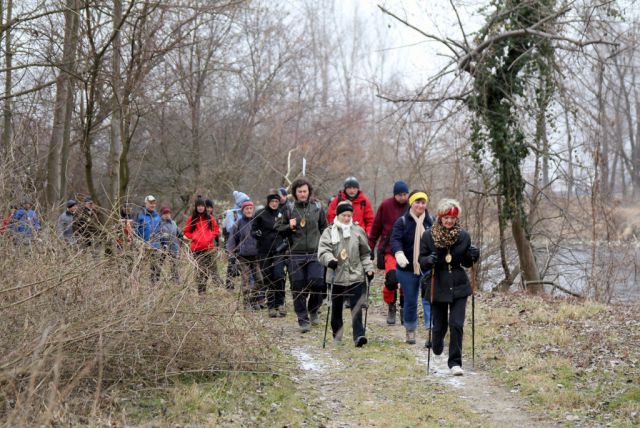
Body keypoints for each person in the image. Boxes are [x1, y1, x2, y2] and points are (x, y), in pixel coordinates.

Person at [419, 199, 479, 376]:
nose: (449, 221)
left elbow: (467, 263)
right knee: (440, 326)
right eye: (446, 217)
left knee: (457, 324)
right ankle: (437, 349)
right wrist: (428, 260)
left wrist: (474, 255)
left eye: (453, 217)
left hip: (459, 283)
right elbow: (421, 261)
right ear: (440, 217)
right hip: (437, 283)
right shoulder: (429, 236)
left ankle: (455, 362)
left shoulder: (463, 236)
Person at [318, 201, 374, 347]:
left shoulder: (358, 231)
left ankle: (359, 336)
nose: (347, 218)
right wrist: (329, 260)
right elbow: (323, 251)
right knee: (336, 309)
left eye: (349, 215)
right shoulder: (329, 232)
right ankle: (337, 335)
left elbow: (365, 253)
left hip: (356, 275)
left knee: (357, 307)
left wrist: (368, 268)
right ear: (338, 215)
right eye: (344, 215)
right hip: (336, 276)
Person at [277, 177, 328, 332]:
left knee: (317, 282)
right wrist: (288, 226)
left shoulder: (317, 207)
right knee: (297, 287)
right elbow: (278, 228)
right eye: (299, 191)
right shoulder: (289, 209)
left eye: (305, 191)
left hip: (315, 252)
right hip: (295, 253)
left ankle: (313, 309)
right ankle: (302, 319)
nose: (302, 194)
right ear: (295, 193)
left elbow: (324, 228)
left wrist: (326, 247)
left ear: (309, 191)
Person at [390, 190, 433, 344]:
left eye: (423, 202)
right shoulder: (402, 221)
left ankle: (430, 331)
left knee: (429, 299)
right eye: (417, 202)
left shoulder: (431, 221)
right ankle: (410, 330)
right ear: (411, 203)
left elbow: (436, 242)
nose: (420, 205)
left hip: (427, 267)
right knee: (410, 300)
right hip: (406, 268)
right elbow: (394, 239)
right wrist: (399, 253)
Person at [368, 180, 410, 325]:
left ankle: (404, 309)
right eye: (400, 195)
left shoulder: (412, 206)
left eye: (405, 194)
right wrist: (370, 248)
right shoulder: (385, 206)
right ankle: (391, 306)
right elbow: (375, 228)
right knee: (392, 280)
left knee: (405, 282)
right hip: (389, 250)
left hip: (407, 251)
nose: (403, 197)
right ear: (395, 194)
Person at [252, 190, 288, 317]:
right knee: (268, 277)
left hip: (279, 250)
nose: (274, 203)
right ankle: (271, 306)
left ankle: (280, 303)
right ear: (268, 202)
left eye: (276, 201)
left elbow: (287, 229)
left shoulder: (282, 214)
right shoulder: (260, 214)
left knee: (279, 275)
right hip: (264, 251)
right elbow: (253, 229)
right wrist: (256, 233)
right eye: (272, 201)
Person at [228, 200, 264, 309]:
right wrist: (232, 254)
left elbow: (263, 237)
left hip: (256, 256)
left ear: (253, 210)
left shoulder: (257, 222)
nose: (249, 210)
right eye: (246, 209)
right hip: (242, 256)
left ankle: (252, 299)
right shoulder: (238, 224)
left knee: (260, 280)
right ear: (243, 211)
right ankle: (247, 304)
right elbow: (232, 240)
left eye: (250, 208)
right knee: (246, 280)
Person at [183, 197, 220, 294]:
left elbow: (216, 230)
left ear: (204, 207)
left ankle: (206, 289)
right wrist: (194, 237)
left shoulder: (210, 218)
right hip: (196, 250)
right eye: (198, 206)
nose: (200, 208)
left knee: (208, 271)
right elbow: (186, 231)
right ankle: (201, 292)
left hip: (209, 249)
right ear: (196, 207)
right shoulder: (191, 219)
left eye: (202, 206)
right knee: (200, 271)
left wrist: (210, 236)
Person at [222, 191, 250, 289]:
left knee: (244, 265)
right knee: (232, 264)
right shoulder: (231, 213)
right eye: (244, 202)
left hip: (244, 243)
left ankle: (245, 284)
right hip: (233, 242)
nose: (246, 204)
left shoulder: (246, 212)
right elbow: (230, 228)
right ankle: (229, 286)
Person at [156, 206, 181, 282]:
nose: (167, 215)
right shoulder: (159, 223)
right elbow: (156, 234)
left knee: (174, 264)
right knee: (159, 264)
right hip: (162, 247)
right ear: (161, 214)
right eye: (165, 213)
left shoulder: (173, 223)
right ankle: (156, 280)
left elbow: (178, 232)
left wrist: (183, 235)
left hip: (173, 247)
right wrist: (161, 236)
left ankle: (175, 280)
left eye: (168, 213)